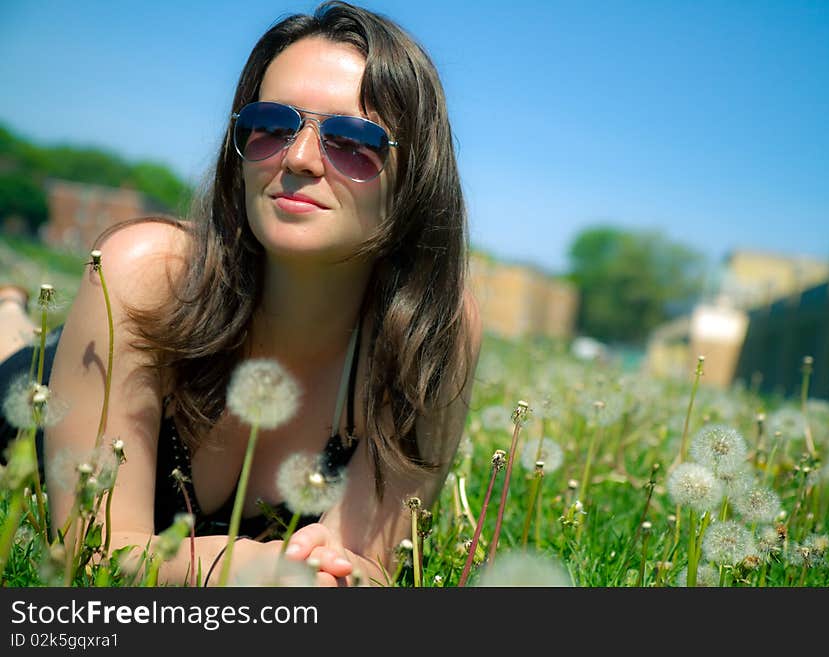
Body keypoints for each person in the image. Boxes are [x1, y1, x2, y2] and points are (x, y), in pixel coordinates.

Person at [0, 0, 481, 587]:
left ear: (418, 176)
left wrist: (335, 578)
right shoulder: (145, 273)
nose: (299, 159)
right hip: (45, 390)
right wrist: (244, 566)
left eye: (354, 141)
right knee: (17, 354)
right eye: (272, 126)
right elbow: (91, 549)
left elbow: (364, 565)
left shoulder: (433, 334)